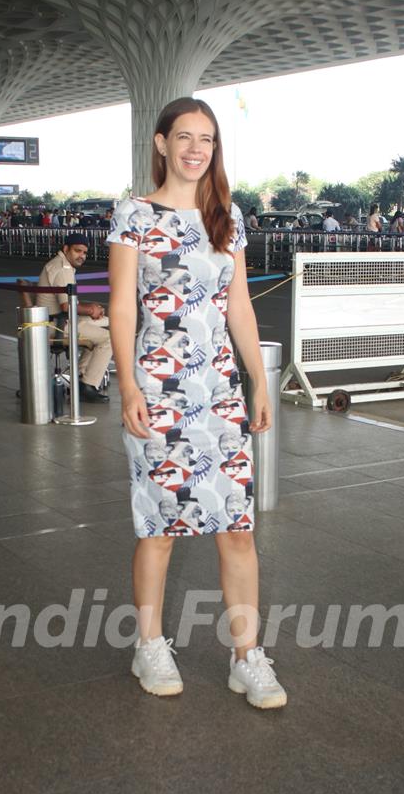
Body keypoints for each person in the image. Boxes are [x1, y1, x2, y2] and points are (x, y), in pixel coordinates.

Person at [107, 95, 287, 710]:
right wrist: (129, 385)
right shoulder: (133, 214)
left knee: (238, 528)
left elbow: (238, 304)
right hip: (158, 390)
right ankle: (149, 644)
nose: (194, 149)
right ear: (161, 143)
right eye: (184, 137)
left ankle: (247, 658)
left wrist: (259, 381)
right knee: (158, 527)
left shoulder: (226, 217)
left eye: (206, 140)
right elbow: (124, 306)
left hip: (219, 394)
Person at [36, 232, 112, 403]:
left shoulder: (60, 265)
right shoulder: (63, 269)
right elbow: (66, 306)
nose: (82, 256)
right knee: (108, 338)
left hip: (55, 319)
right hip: (56, 325)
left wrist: (92, 310)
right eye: (78, 251)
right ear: (65, 249)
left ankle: (80, 376)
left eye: (85, 253)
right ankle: (88, 384)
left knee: (105, 321)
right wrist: (91, 310)